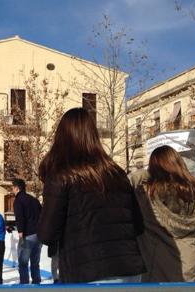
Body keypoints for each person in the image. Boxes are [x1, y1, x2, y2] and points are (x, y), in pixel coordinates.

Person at [37, 107, 146, 283]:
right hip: (130, 270)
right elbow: (138, 225)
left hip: (88, 273)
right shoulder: (117, 173)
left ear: (61, 136)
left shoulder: (62, 174)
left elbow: (46, 234)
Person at [129, 145, 195, 282]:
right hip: (194, 277)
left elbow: (124, 186)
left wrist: (143, 173)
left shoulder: (146, 197)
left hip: (157, 277)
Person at [12, 178, 42, 284]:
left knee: (23, 262)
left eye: (13, 188)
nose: (12, 190)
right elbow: (42, 214)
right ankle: (36, 283)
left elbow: (19, 217)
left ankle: (24, 285)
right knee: (35, 262)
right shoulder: (34, 200)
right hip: (38, 235)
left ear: (17, 188)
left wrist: (20, 232)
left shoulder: (18, 201)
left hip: (27, 235)